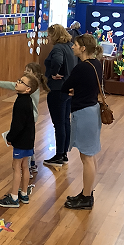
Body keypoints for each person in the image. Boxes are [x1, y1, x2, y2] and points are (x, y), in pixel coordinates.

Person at [0, 62, 49, 178]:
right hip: (31, 117)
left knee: (24, 143)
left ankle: (28, 168)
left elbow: (10, 85)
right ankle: (32, 164)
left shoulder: (30, 89)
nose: (25, 72)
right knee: (28, 143)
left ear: (34, 75)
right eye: (25, 70)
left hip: (28, 117)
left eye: (28, 71)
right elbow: (10, 84)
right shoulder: (30, 87)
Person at [61, 34, 103, 210]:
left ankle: (86, 198)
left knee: (86, 157)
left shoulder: (81, 67)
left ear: (83, 48)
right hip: (93, 110)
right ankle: (88, 192)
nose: (73, 47)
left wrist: (72, 90)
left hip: (84, 113)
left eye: (76, 44)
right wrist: (76, 90)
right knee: (90, 155)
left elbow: (65, 86)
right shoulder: (97, 64)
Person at [0, 72, 39, 208]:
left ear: (28, 89)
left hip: (21, 140)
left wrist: (10, 138)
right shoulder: (28, 100)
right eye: (19, 80)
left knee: (16, 167)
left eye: (21, 82)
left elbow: (17, 125)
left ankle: (14, 197)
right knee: (25, 166)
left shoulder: (20, 102)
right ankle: (24, 193)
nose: (17, 82)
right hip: (29, 139)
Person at [43, 24, 78, 168]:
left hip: (57, 89)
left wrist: (53, 73)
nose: (48, 37)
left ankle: (58, 155)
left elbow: (57, 61)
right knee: (65, 121)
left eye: (49, 35)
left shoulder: (58, 48)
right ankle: (64, 154)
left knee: (58, 124)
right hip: (68, 88)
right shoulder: (70, 46)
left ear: (55, 35)